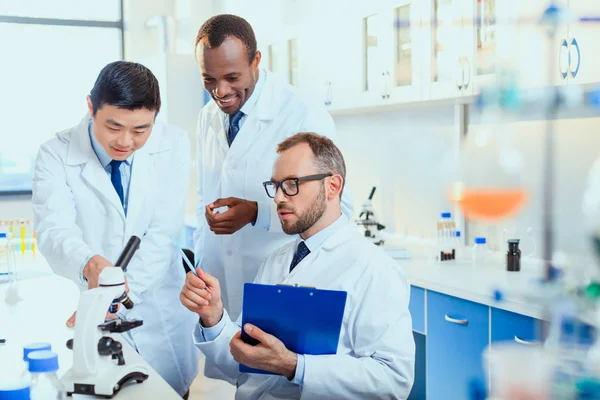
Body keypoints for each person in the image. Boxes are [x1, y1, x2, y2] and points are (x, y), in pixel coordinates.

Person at [181, 133, 415, 399]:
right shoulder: (277, 260)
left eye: (291, 184)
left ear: (333, 186)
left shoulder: (373, 268)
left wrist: (294, 365)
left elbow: (393, 380)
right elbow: (244, 358)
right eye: (276, 185)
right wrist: (213, 316)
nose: (279, 197)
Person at [32, 61, 199, 397]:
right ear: (91, 107)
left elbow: (161, 234)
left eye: (141, 130)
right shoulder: (56, 154)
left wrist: (118, 295)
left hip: (158, 312)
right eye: (114, 126)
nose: (126, 141)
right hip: (92, 307)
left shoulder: (173, 144)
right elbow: (54, 229)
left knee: (167, 392)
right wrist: (89, 262)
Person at [193, 14, 354, 321]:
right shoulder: (207, 117)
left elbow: (341, 207)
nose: (221, 91)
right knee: (230, 363)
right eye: (208, 79)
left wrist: (257, 213)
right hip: (219, 288)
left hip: (282, 283)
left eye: (232, 77)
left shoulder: (301, 112)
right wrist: (200, 262)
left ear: (256, 61)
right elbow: (206, 194)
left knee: (274, 365)